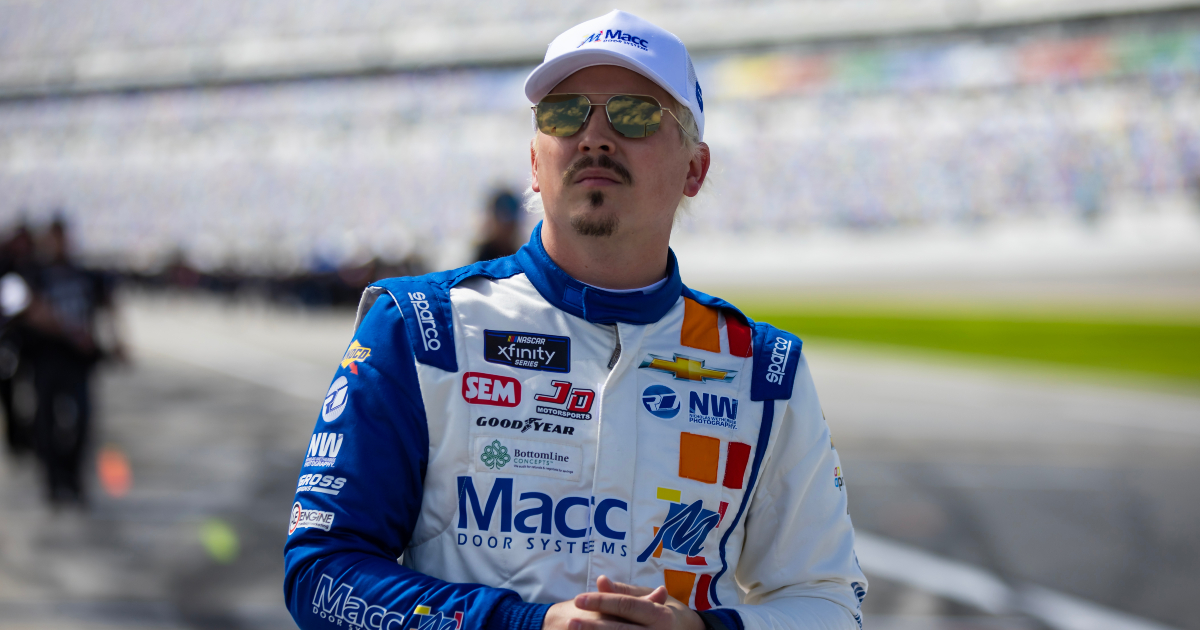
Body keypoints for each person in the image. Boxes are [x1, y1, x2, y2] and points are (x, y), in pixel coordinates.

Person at [284, 11, 866, 630]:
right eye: (564, 114)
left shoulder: (761, 370)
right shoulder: (422, 328)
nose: (594, 136)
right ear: (535, 162)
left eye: (635, 114)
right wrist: (524, 626)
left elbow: (827, 600)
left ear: (695, 169)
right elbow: (322, 572)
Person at [474, 190, 524, 262]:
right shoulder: (483, 258)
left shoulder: (519, 256)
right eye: (503, 221)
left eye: (510, 222)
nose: (506, 228)